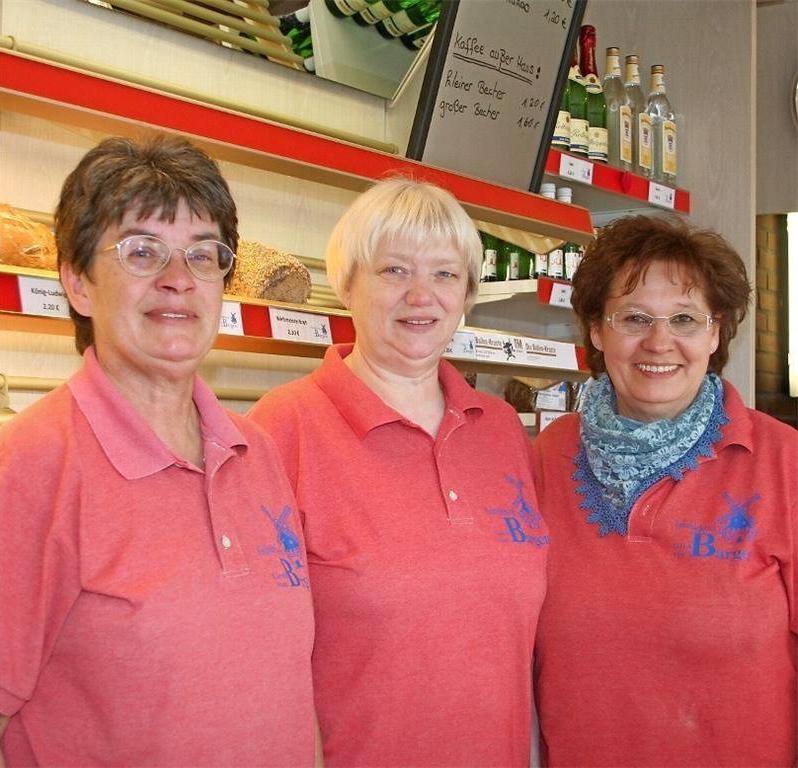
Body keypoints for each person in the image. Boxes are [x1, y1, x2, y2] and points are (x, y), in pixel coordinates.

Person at [0, 135, 319, 766]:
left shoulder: (254, 450)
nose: (178, 280)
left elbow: (288, 687)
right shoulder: (32, 465)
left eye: (203, 256)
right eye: (142, 251)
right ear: (77, 282)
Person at [248, 176, 548, 767]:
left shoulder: (502, 430)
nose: (422, 296)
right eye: (394, 271)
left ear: (466, 294)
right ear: (347, 284)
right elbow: (252, 651)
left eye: (445, 274)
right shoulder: (282, 429)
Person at [531, 214, 798, 767]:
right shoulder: (542, 460)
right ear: (597, 332)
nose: (660, 342)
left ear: (715, 332)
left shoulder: (782, 464)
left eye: (684, 318)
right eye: (634, 318)